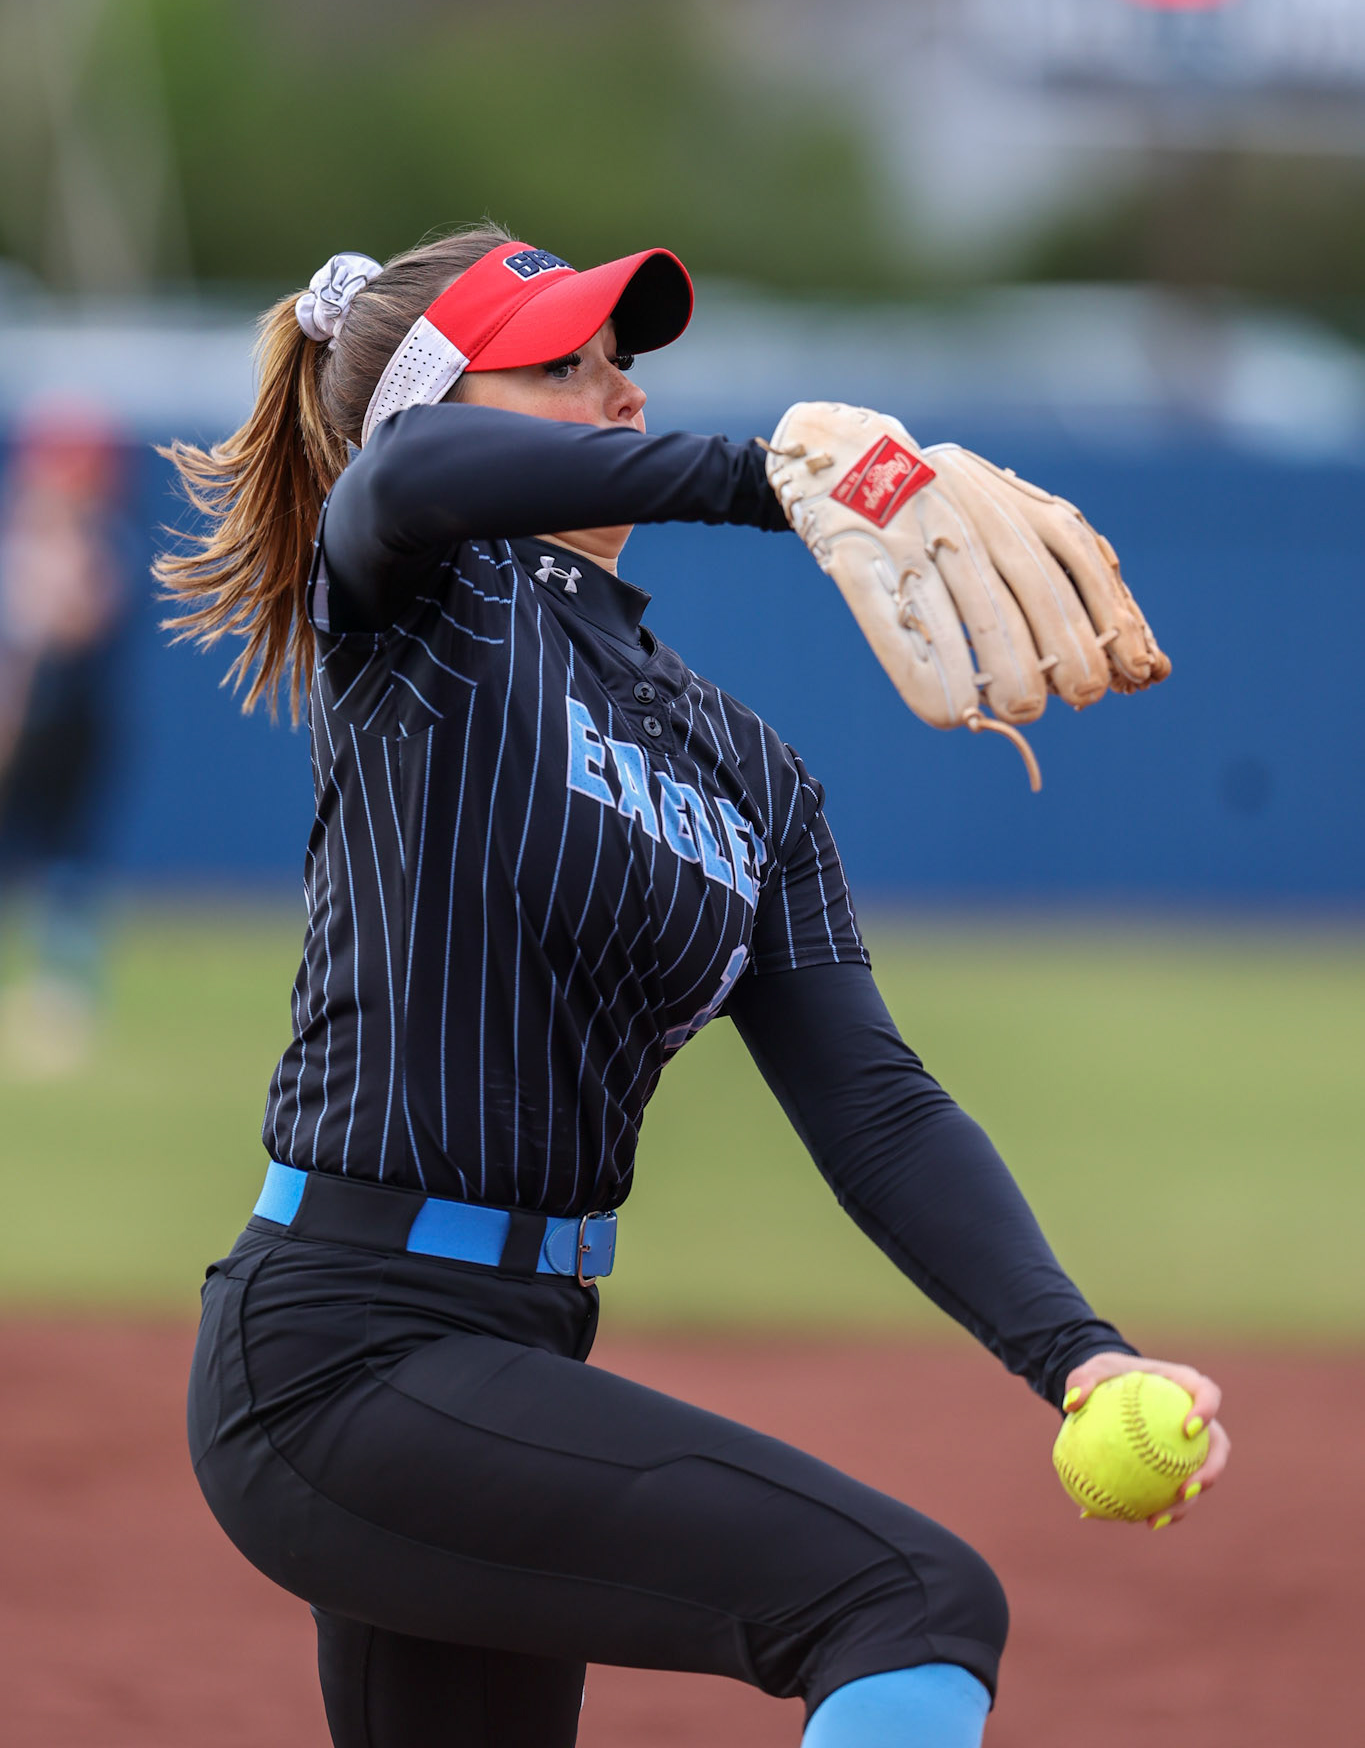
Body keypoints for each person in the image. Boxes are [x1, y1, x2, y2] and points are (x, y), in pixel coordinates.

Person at [158, 227, 1229, 1748]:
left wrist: (1077, 1349)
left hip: (511, 1350)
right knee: (908, 1605)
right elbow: (400, 481)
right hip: (340, 1351)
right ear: (433, 410)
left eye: (623, 361)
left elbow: (874, 1107)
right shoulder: (417, 602)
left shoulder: (744, 771)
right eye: (562, 363)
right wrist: (764, 478)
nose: (618, 392)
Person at [0, 407, 131, 1076]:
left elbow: (78, 626)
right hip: (30, 723)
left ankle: (63, 995)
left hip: (67, 728)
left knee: (66, 859)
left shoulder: (91, 542)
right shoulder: (30, 536)